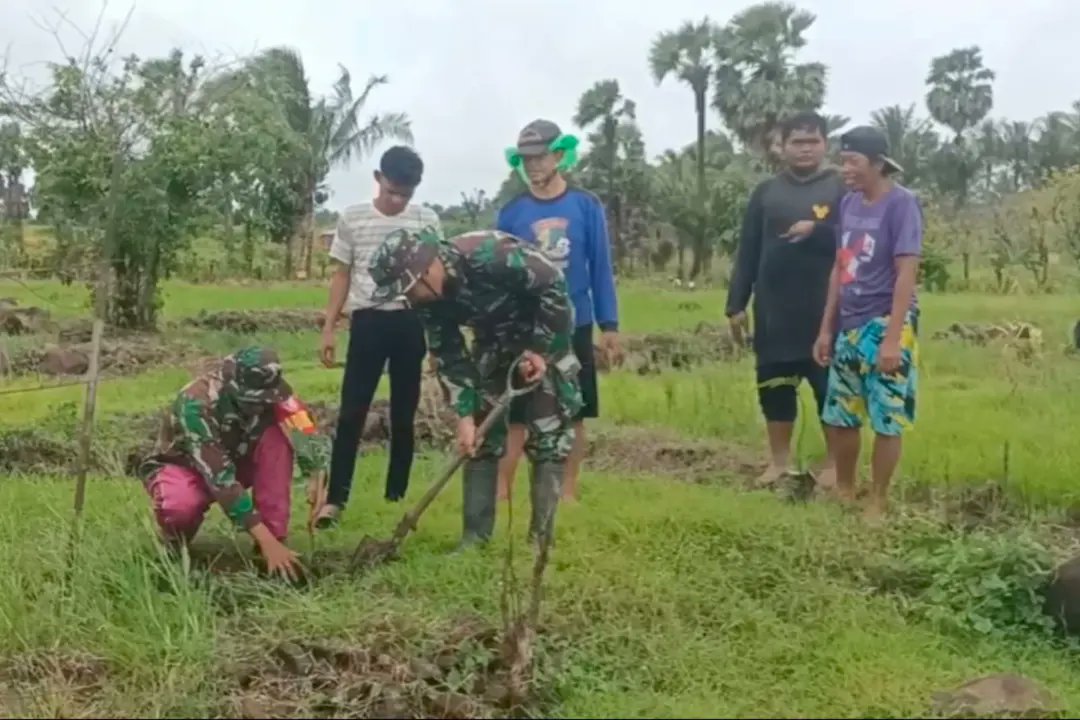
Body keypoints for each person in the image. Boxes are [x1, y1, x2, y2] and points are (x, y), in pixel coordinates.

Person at [367, 226, 582, 552]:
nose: (411, 298)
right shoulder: (427, 301)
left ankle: (541, 543)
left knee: (549, 436)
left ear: (429, 268)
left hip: (545, 334)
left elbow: (553, 285)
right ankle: (474, 540)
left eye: (410, 289)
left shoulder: (492, 255)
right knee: (480, 439)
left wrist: (540, 349)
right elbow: (450, 355)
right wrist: (465, 416)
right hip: (493, 344)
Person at [494, 118, 620, 503]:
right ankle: (502, 491)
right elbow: (500, 271)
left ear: (560, 156)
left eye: (540, 157)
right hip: (524, 326)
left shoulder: (585, 205)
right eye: (525, 159)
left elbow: (600, 266)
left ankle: (567, 491)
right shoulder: (512, 212)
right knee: (514, 412)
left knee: (574, 409)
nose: (533, 165)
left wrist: (609, 324)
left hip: (574, 323)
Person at [316, 146, 442, 527]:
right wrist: (329, 326)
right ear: (378, 178)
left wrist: (437, 339)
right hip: (368, 322)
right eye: (392, 192)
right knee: (352, 411)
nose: (398, 200)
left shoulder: (426, 220)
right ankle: (335, 499)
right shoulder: (352, 218)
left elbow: (438, 280)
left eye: (405, 194)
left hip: (410, 322)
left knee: (404, 414)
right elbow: (342, 274)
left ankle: (395, 495)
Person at [726, 111, 847, 488]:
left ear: (825, 144)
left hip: (826, 312)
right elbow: (747, 250)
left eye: (812, 141)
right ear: (782, 146)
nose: (805, 149)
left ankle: (833, 464)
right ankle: (779, 462)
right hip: (775, 309)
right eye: (797, 142)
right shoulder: (766, 192)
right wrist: (736, 303)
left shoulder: (843, 188)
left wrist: (819, 231)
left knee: (830, 388)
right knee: (775, 387)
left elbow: (858, 239)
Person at [139, 347, 329, 580]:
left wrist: (318, 476)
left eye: (264, 402)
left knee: (277, 439)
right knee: (181, 507)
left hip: (238, 459)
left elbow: (302, 425)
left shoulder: (272, 388)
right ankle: (174, 543)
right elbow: (219, 476)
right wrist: (263, 538)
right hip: (186, 467)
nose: (259, 407)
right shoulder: (195, 403)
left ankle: (273, 542)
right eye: (252, 402)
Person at [813, 125, 922, 520]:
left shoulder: (902, 205)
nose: (845, 169)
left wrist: (893, 339)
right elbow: (841, 266)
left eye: (853, 161)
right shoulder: (848, 204)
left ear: (877, 164)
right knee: (840, 414)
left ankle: (877, 499)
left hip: (886, 322)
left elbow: (906, 272)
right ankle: (845, 489)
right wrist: (827, 328)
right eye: (843, 161)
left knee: (886, 417)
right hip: (849, 322)